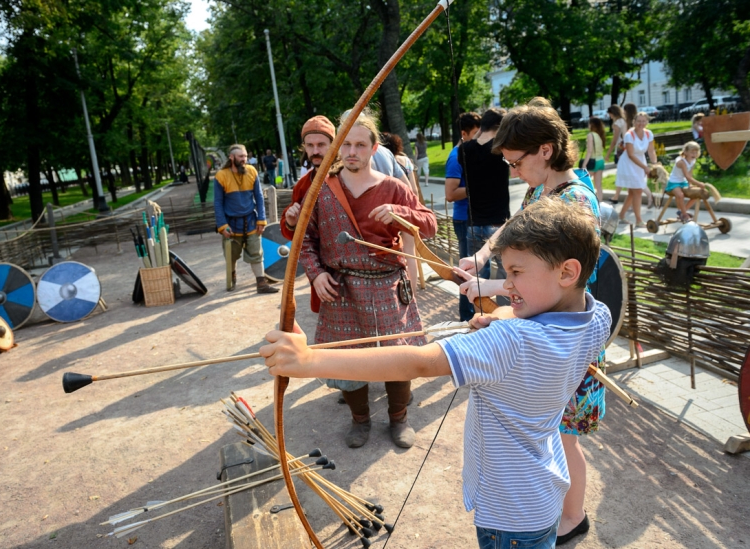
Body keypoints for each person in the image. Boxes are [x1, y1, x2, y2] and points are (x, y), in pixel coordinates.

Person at [262, 198, 611, 549]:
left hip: (508, 514)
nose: (507, 286)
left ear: (567, 272)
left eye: (517, 273)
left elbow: (418, 361)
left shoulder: (512, 341)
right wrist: (504, 317)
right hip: (545, 494)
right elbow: (535, 325)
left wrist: (308, 361)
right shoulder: (598, 318)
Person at [458, 98, 605, 546]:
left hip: (564, 337)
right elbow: (513, 228)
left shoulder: (576, 200)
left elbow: (564, 283)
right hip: (543, 331)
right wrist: (482, 257)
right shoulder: (541, 190)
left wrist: (493, 289)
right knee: (548, 431)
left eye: (516, 161)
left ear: (545, 150)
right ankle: (558, 510)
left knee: (565, 436)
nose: (513, 170)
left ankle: (572, 517)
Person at [300, 108, 437, 449]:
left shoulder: (392, 187)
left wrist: (401, 212)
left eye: (360, 145)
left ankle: (399, 419)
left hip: (388, 284)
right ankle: (360, 420)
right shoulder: (321, 189)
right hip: (341, 288)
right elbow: (305, 240)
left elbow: (429, 223)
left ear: (374, 149)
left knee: (398, 358)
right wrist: (316, 275)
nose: (351, 153)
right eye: (345, 145)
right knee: (350, 361)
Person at [214, 144, 279, 294]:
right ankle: (232, 278)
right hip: (231, 224)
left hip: (250, 221)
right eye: (241, 156)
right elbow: (218, 202)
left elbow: (259, 197)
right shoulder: (221, 176)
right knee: (231, 256)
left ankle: (261, 283)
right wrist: (222, 225)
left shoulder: (252, 171)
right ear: (232, 157)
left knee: (257, 253)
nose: (244, 159)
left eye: (245, 156)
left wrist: (261, 220)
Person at [458, 108, 510, 282]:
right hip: (499, 223)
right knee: (507, 279)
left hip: (474, 224)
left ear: (482, 126)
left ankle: (478, 310)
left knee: (476, 282)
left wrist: (479, 133)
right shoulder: (501, 149)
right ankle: (504, 310)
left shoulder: (464, 149)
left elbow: (472, 143)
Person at [444, 111, 481, 321]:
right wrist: (478, 188)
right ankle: (466, 319)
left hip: (475, 218)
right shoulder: (455, 157)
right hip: (463, 220)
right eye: (476, 133)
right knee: (467, 272)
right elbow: (450, 194)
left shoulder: (473, 153)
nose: (480, 137)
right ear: (464, 134)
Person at [615, 111, 657, 228]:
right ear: (634, 122)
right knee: (637, 191)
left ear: (647, 122)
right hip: (628, 164)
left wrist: (654, 164)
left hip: (640, 162)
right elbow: (631, 155)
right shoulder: (629, 134)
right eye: (638, 121)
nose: (641, 123)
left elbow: (651, 151)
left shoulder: (649, 134)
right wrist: (645, 167)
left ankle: (621, 216)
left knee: (632, 193)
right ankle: (639, 221)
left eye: (643, 121)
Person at [666, 141, 706, 223]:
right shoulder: (681, 161)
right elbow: (687, 175)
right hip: (674, 182)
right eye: (692, 152)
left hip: (683, 181)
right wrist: (699, 183)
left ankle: (682, 212)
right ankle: (684, 215)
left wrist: (690, 184)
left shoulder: (693, 161)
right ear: (685, 152)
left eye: (696, 152)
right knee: (680, 195)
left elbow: (690, 175)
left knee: (696, 195)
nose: (694, 155)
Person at [605, 105, 627, 205]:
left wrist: (608, 154)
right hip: (625, 149)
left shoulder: (617, 123)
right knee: (622, 174)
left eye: (609, 114)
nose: (609, 116)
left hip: (619, 150)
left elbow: (614, 140)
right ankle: (616, 196)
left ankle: (616, 196)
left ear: (612, 113)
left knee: (621, 174)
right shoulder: (624, 121)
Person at [581, 117, 606, 198]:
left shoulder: (590, 135)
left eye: (589, 123)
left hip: (593, 162)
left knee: (584, 183)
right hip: (601, 161)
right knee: (598, 186)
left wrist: (584, 165)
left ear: (592, 125)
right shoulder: (600, 135)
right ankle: (600, 204)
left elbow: (589, 151)